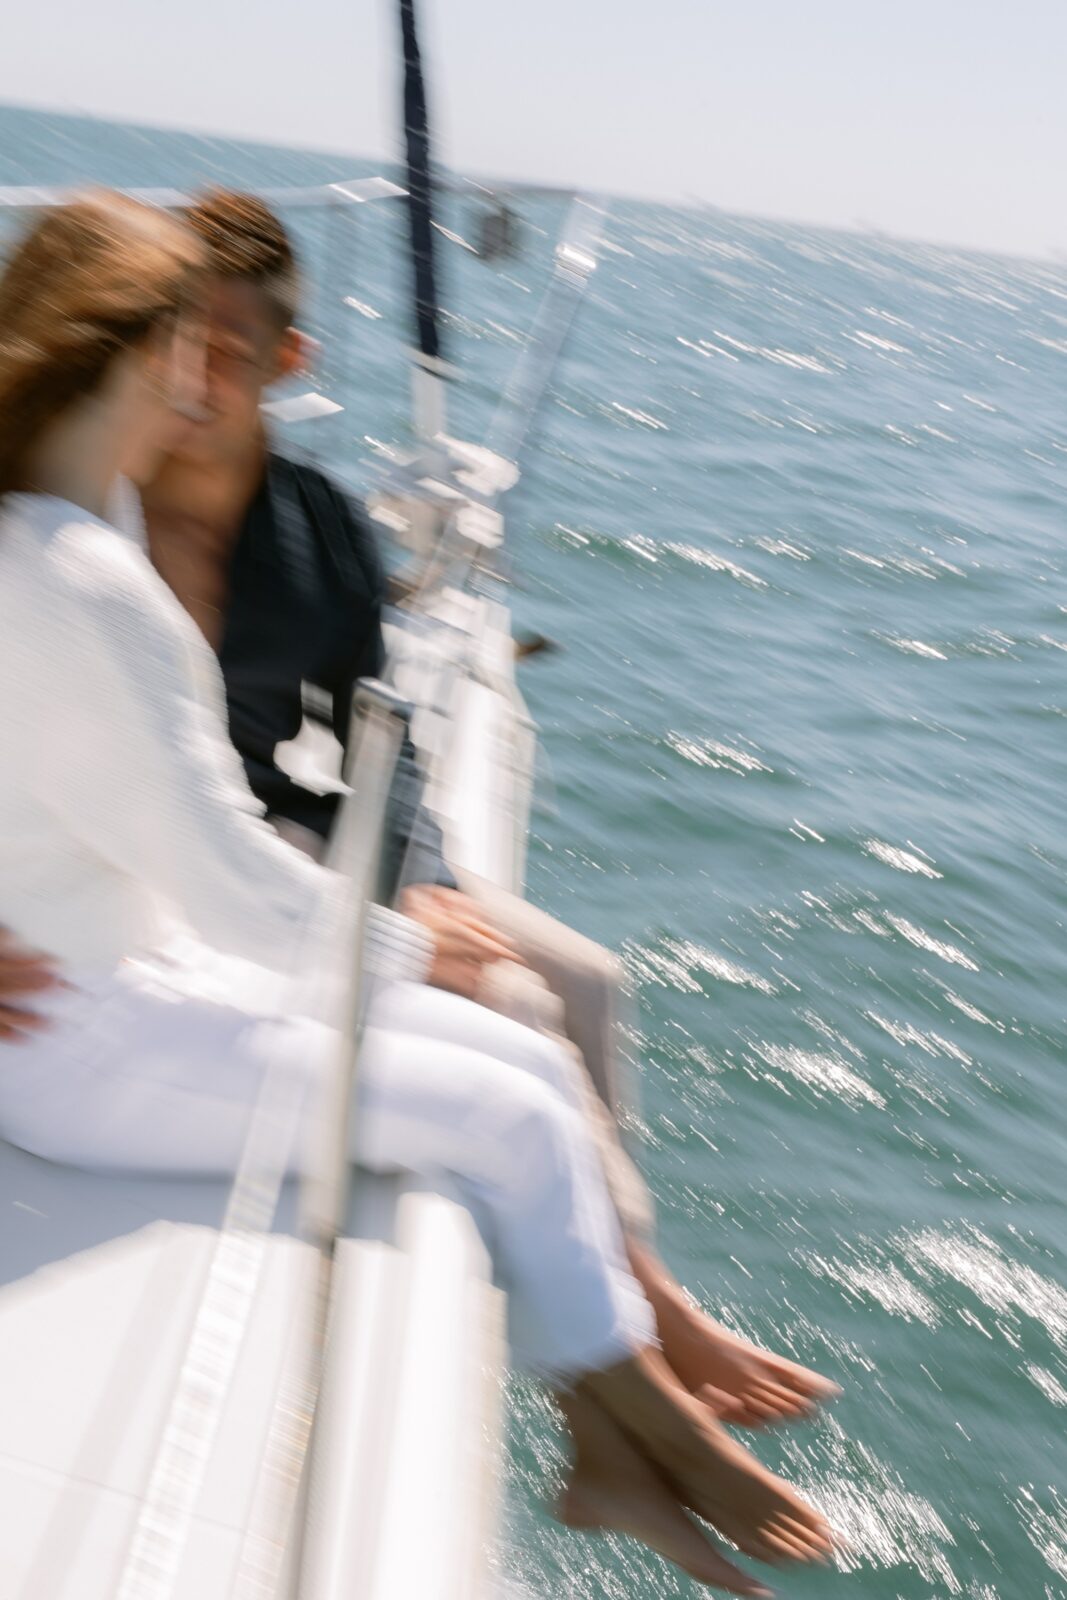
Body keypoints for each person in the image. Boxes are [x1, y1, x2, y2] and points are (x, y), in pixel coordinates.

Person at [0, 192, 833, 1594]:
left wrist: (396, 938)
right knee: (512, 1100)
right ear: (145, 354)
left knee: (529, 1060)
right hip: (79, 1043)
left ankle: (613, 1417)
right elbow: (230, 893)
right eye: (191, 345)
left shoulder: (64, 526)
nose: (210, 378)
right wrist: (405, 949)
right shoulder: (86, 571)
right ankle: (625, 1429)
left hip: (119, 979)